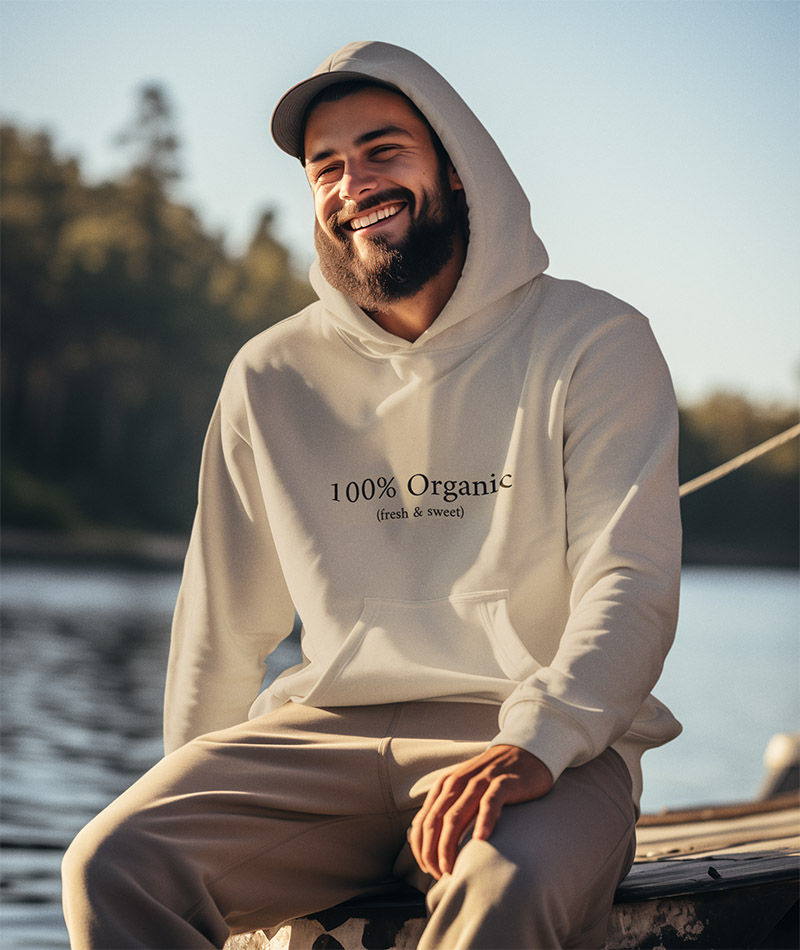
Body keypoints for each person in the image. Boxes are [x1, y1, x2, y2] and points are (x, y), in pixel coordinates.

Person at [62, 41, 682, 949]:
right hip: (320, 742)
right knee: (113, 864)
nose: (353, 184)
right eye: (326, 166)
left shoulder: (594, 340)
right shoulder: (271, 374)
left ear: (458, 167)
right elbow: (221, 626)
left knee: (507, 893)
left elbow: (630, 582)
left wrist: (540, 741)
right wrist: (192, 791)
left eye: (383, 150)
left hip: (534, 741)